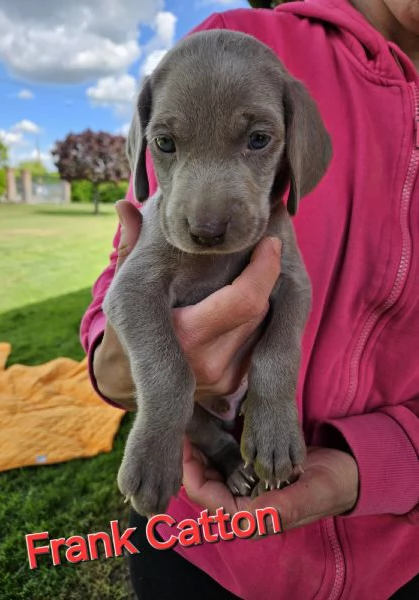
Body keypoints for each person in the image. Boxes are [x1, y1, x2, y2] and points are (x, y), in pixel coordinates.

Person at [80, 0, 419, 598]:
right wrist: (143, 388)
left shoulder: (274, 210)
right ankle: (220, 450)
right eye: (168, 145)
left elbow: (292, 291)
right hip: (200, 546)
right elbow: (123, 293)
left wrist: (371, 460)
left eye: (256, 140)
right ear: (142, 150)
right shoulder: (228, 45)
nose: (207, 215)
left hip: (396, 551)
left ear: (296, 144)